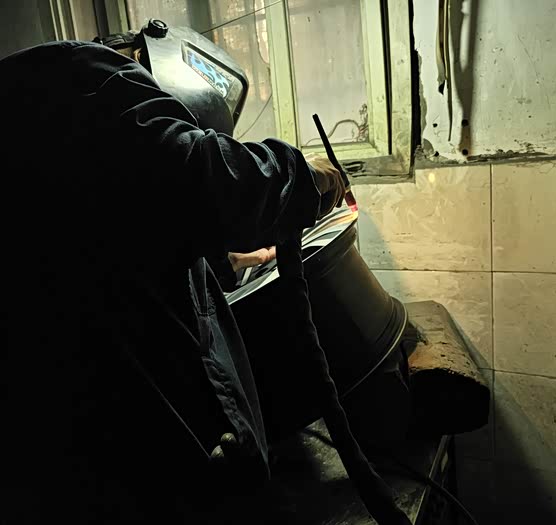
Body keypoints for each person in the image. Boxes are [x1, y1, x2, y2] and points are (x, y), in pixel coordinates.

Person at [1, 23, 345, 524]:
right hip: (130, 458)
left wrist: (227, 264)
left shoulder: (43, 117)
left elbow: (112, 247)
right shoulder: (90, 78)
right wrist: (307, 176)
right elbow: (209, 176)